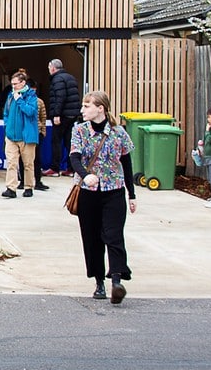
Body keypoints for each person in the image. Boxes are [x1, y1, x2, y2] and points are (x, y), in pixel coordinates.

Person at [70, 90, 136, 304]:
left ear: (101, 108)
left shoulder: (118, 132)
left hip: (114, 190)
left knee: (114, 235)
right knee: (92, 238)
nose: (83, 110)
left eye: (87, 106)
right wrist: (85, 175)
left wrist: (132, 194)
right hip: (89, 193)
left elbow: (126, 163)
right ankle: (99, 282)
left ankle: (116, 280)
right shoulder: (79, 130)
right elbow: (74, 157)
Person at [1, 70, 39, 198]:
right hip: (11, 135)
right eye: (12, 84)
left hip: (26, 136)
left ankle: (28, 186)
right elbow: (6, 112)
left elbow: (30, 111)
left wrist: (20, 100)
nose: (13, 86)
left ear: (23, 83)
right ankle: (11, 188)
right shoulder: (10, 96)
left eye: (16, 84)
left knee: (28, 163)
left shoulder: (31, 96)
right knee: (11, 162)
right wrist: (7, 125)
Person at [47, 58, 80, 176]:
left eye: (49, 67)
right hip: (72, 115)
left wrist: (56, 114)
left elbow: (60, 97)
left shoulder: (57, 79)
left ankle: (55, 168)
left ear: (53, 68)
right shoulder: (70, 77)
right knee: (69, 142)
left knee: (56, 141)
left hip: (62, 115)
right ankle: (72, 168)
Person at [19, 79, 50, 192]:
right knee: (22, 159)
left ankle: (38, 181)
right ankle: (23, 181)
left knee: (37, 158)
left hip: (37, 132)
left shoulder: (39, 101)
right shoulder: (20, 100)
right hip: (24, 132)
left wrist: (43, 131)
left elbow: (43, 117)